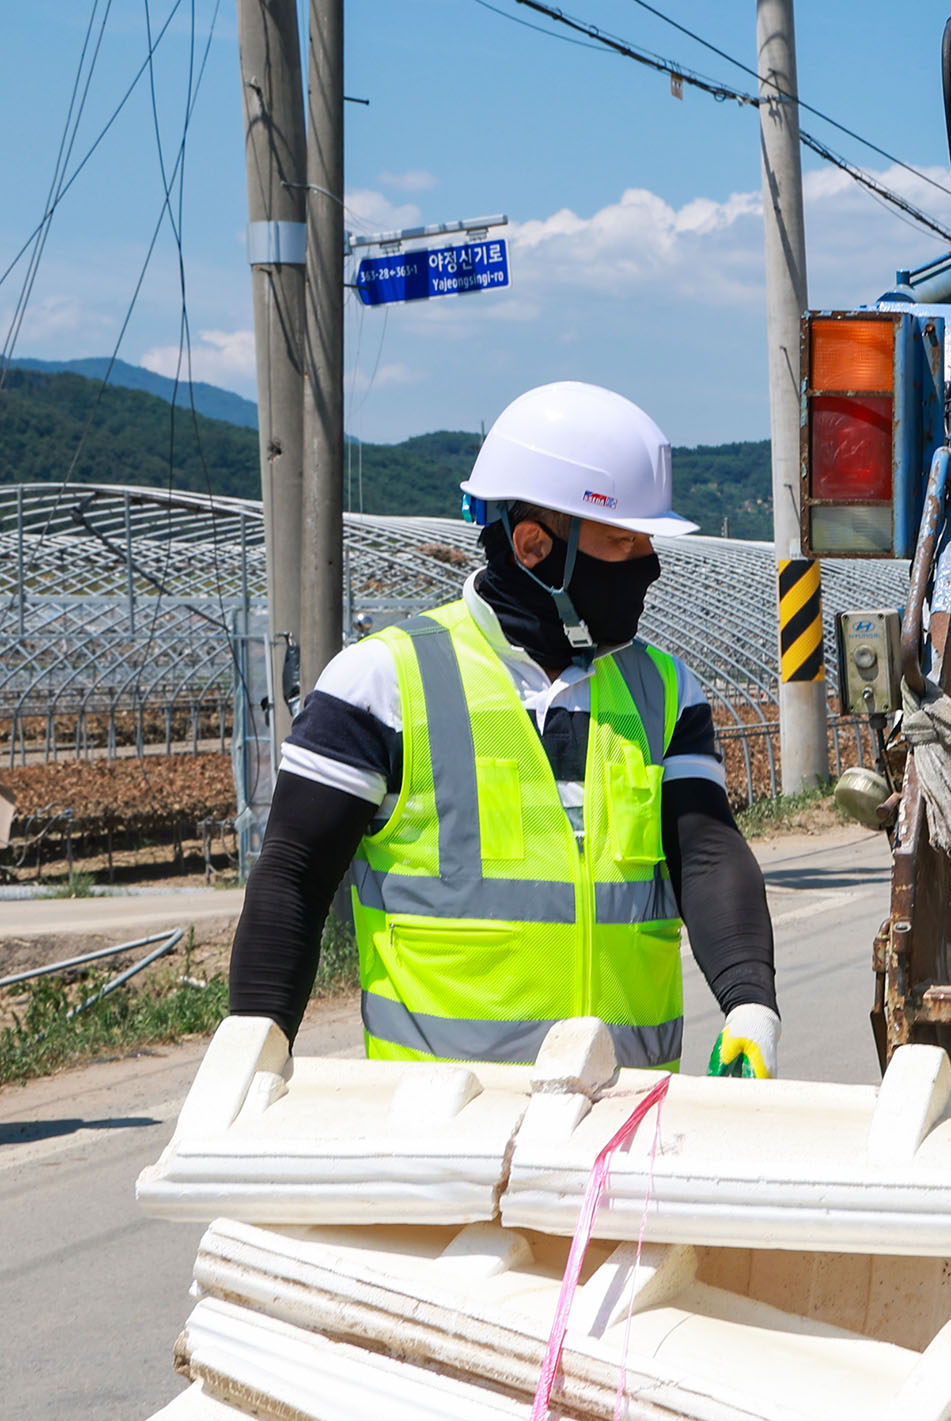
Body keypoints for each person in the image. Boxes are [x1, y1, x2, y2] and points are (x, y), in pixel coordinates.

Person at [228, 381, 782, 1078]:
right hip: (441, 1137)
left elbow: (706, 854)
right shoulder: (382, 684)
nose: (650, 567)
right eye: (621, 541)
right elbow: (293, 878)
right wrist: (251, 1057)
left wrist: (750, 1005)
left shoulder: (665, 693)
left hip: (618, 1126)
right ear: (533, 546)